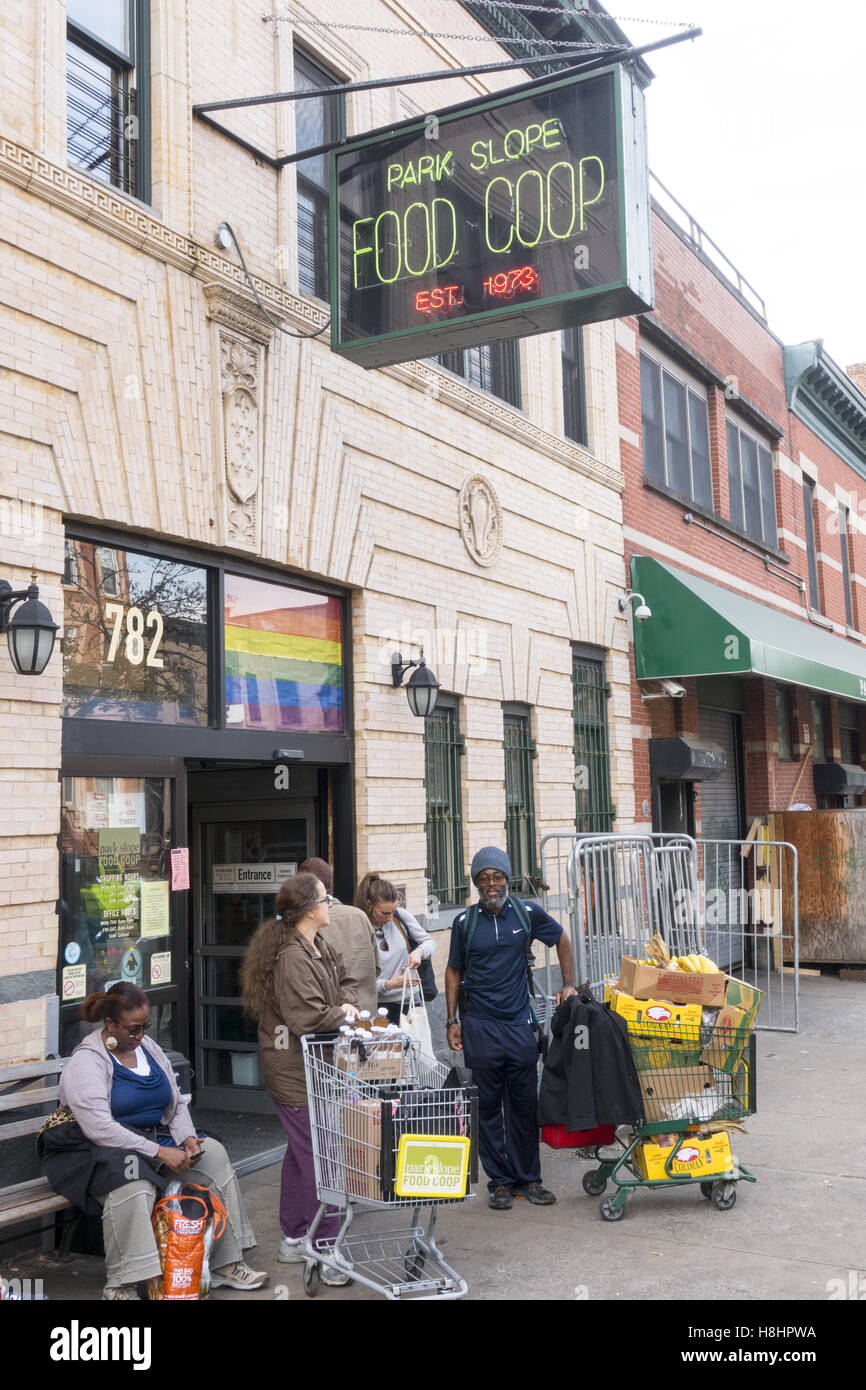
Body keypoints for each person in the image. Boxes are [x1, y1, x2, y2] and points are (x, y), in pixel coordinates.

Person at [44, 982, 267, 1300]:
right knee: (134, 1179)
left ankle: (225, 1262)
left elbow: (173, 1104)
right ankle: (122, 1283)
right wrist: (160, 1151)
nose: (140, 1035)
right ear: (110, 1024)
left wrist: (187, 1139)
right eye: (133, 1029)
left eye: (145, 1026)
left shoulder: (148, 1048)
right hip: (88, 1150)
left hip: (144, 1140)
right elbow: (99, 1128)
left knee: (212, 1152)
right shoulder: (88, 1061)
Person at [240, 871, 359, 1284]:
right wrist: (343, 1013)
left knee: (302, 1151)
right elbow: (307, 1018)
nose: (331, 904)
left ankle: (294, 1236)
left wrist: (344, 1005)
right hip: (294, 1071)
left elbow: (346, 982)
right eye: (326, 899)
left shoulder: (317, 944)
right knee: (320, 1156)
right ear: (310, 909)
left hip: (316, 1066)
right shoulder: (292, 955)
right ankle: (326, 1247)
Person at [444, 846, 576, 1211]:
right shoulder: (464, 923)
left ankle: (529, 1179)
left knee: (523, 1104)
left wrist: (568, 984)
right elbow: (453, 970)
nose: (491, 884)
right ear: (476, 883)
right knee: (487, 1106)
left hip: (519, 1024)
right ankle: (499, 1182)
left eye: (497, 877)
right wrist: (452, 1019)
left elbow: (562, 939)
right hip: (480, 1025)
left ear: (507, 878)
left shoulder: (527, 912)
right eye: (484, 878)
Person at [298, 857, 378, 1014]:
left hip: (333, 1017)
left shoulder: (307, 923)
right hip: (364, 1013)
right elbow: (377, 967)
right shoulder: (360, 916)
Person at [354, 872, 436, 1025]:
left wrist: (419, 952)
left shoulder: (401, 916)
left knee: (412, 1047)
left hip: (409, 1000)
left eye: (393, 911)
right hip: (375, 1006)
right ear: (369, 904)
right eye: (385, 913)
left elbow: (429, 942)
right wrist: (388, 985)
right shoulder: (358, 927)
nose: (390, 918)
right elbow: (357, 978)